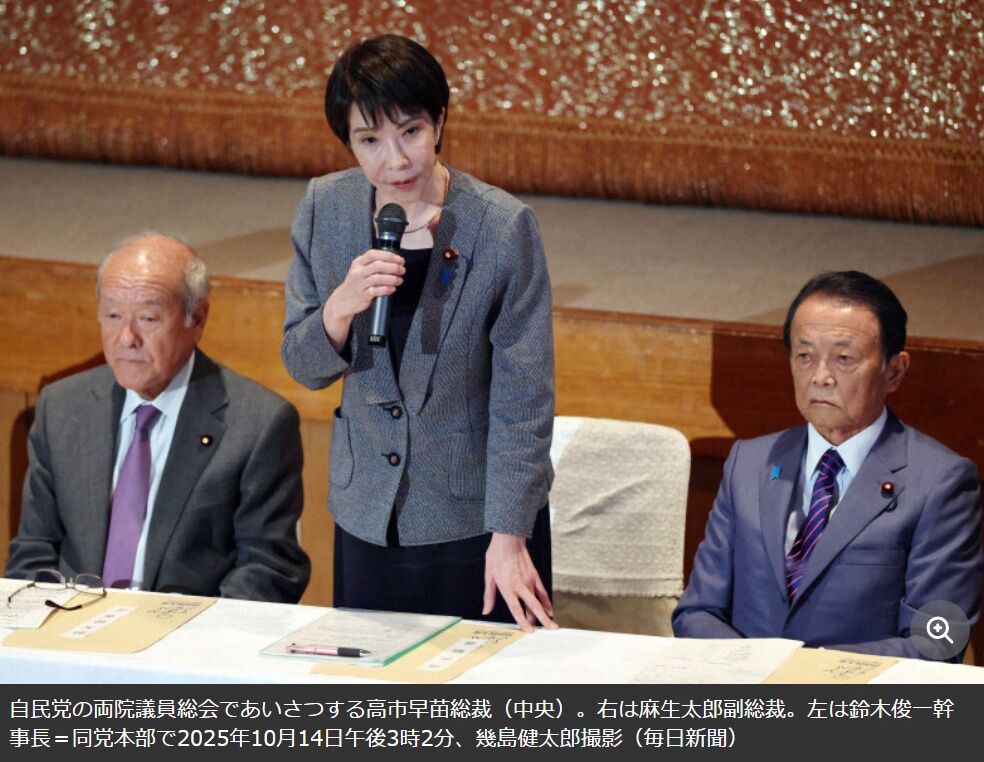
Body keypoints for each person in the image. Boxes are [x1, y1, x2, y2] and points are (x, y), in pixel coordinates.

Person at [281, 34, 556, 631]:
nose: (395, 159)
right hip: (368, 516)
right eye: (369, 140)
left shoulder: (501, 227)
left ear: (440, 123)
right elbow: (303, 366)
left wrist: (510, 536)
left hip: (475, 525)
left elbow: (525, 398)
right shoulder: (326, 208)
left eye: (410, 131)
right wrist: (340, 308)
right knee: (371, 686)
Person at [673, 271, 982, 657]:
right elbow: (698, 611)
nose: (820, 377)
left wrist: (808, 677)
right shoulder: (748, 463)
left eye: (844, 358)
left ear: (894, 371)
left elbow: (939, 640)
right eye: (805, 356)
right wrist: (753, 671)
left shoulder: (940, 481)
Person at [7, 233, 310, 602]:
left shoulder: (258, 424)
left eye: (148, 318)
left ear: (197, 318)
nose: (126, 338)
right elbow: (34, 552)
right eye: (113, 316)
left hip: (188, 631)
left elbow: (268, 569)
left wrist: (184, 636)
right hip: (72, 625)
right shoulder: (63, 407)